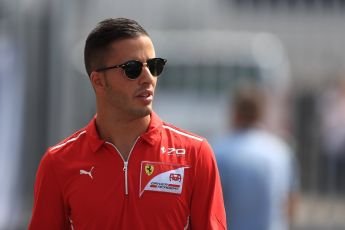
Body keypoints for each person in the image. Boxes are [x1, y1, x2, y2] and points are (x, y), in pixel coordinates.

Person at [28, 18, 226, 230]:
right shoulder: (58, 162)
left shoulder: (195, 154)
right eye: (132, 68)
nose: (147, 77)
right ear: (98, 81)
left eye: (154, 65)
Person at [213, 87, 298, 230]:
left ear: (235, 113)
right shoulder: (281, 151)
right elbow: (290, 203)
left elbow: (213, 204)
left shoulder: (220, 152)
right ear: (261, 113)